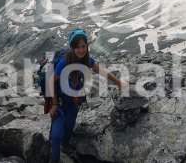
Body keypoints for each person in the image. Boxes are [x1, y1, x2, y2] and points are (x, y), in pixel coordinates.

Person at [48, 29, 128, 162]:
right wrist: (54, 104)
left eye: (83, 46)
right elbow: (51, 81)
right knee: (56, 135)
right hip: (60, 100)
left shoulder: (87, 60)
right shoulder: (64, 62)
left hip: (74, 100)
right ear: (72, 48)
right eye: (77, 47)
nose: (80, 50)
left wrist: (119, 83)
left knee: (69, 126)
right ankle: (54, 157)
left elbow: (103, 72)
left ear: (87, 46)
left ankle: (65, 146)